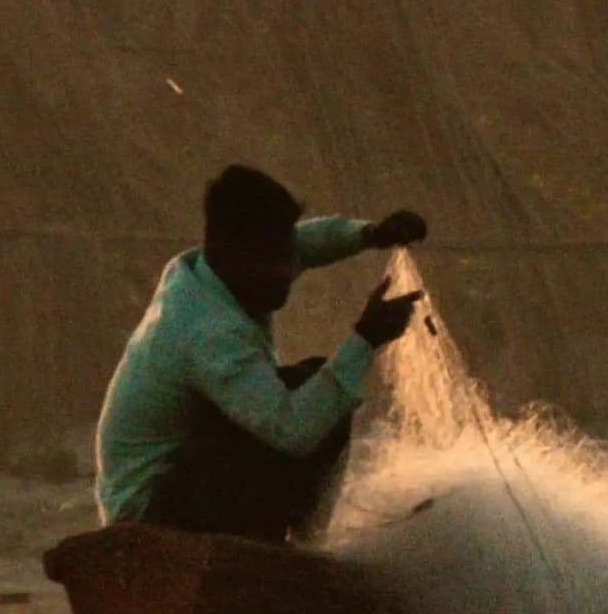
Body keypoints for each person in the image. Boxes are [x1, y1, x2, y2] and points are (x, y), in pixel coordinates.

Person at [92, 164, 431, 541]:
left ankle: (296, 542)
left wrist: (371, 234)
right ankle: (303, 547)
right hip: (150, 515)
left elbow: (306, 243)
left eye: (286, 253)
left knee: (313, 388)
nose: (286, 270)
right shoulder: (209, 332)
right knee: (320, 401)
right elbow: (293, 431)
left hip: (175, 484)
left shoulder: (210, 270)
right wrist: (366, 338)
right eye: (273, 260)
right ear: (225, 253)